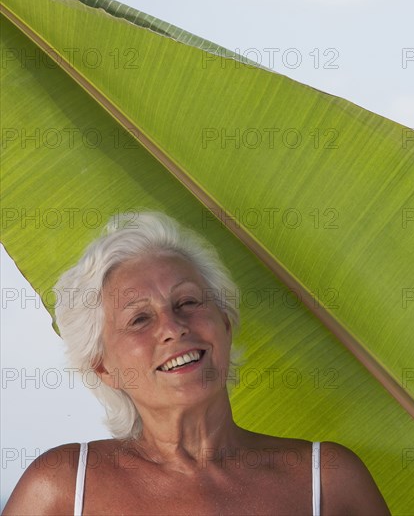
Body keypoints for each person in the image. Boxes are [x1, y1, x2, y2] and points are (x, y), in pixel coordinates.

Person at [3, 211, 390, 515]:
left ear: (224, 323)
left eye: (188, 302)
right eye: (139, 319)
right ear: (103, 367)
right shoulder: (63, 486)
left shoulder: (328, 482)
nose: (173, 327)